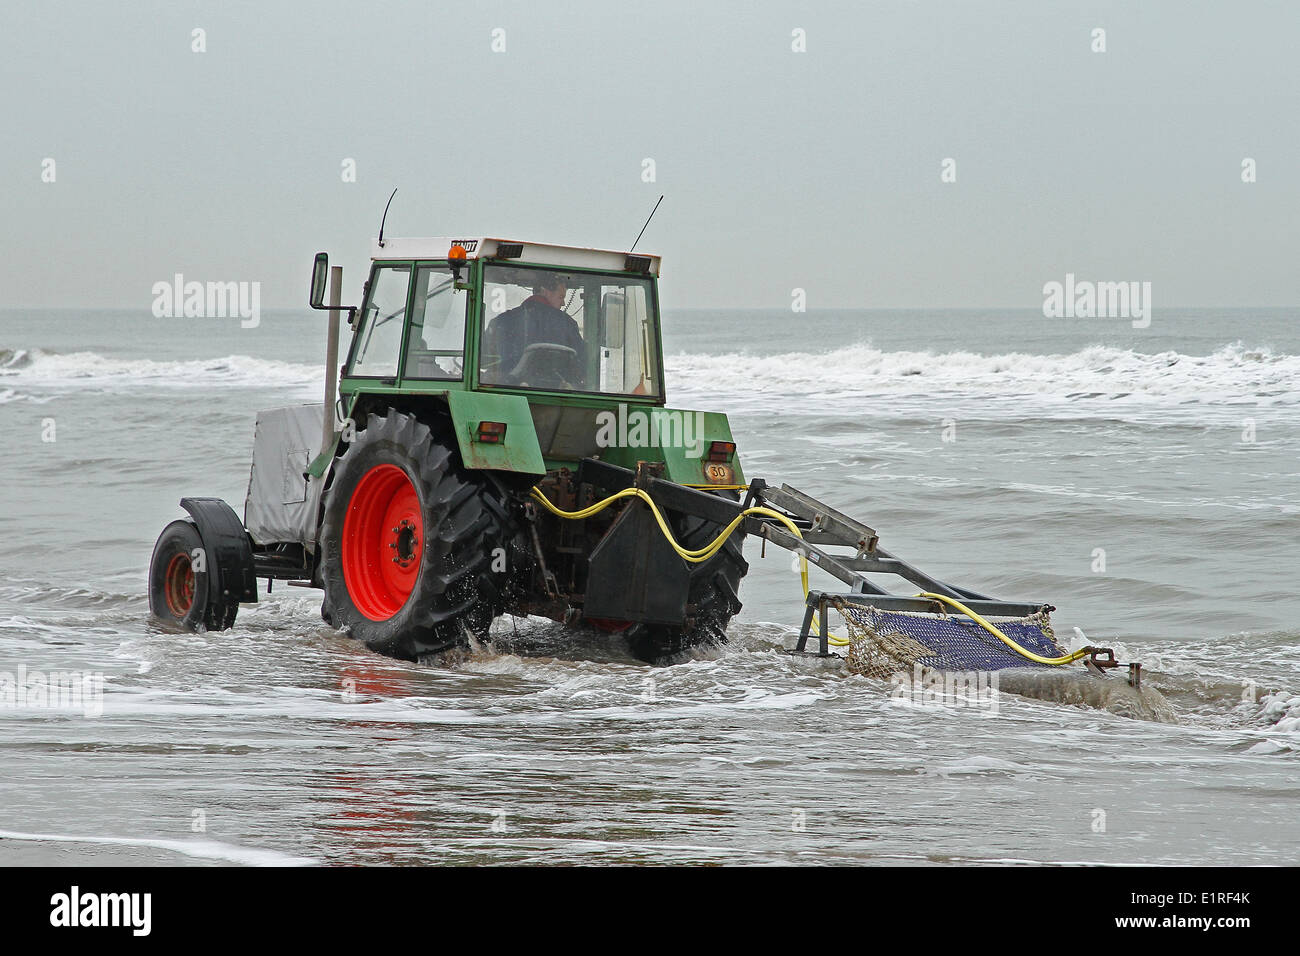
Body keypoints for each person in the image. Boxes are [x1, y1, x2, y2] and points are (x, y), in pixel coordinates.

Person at [483, 273, 587, 386]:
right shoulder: (567, 324)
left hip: (506, 392)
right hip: (556, 394)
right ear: (544, 291)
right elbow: (581, 366)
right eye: (561, 297)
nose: (563, 303)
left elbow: (484, 360)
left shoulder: (501, 321)